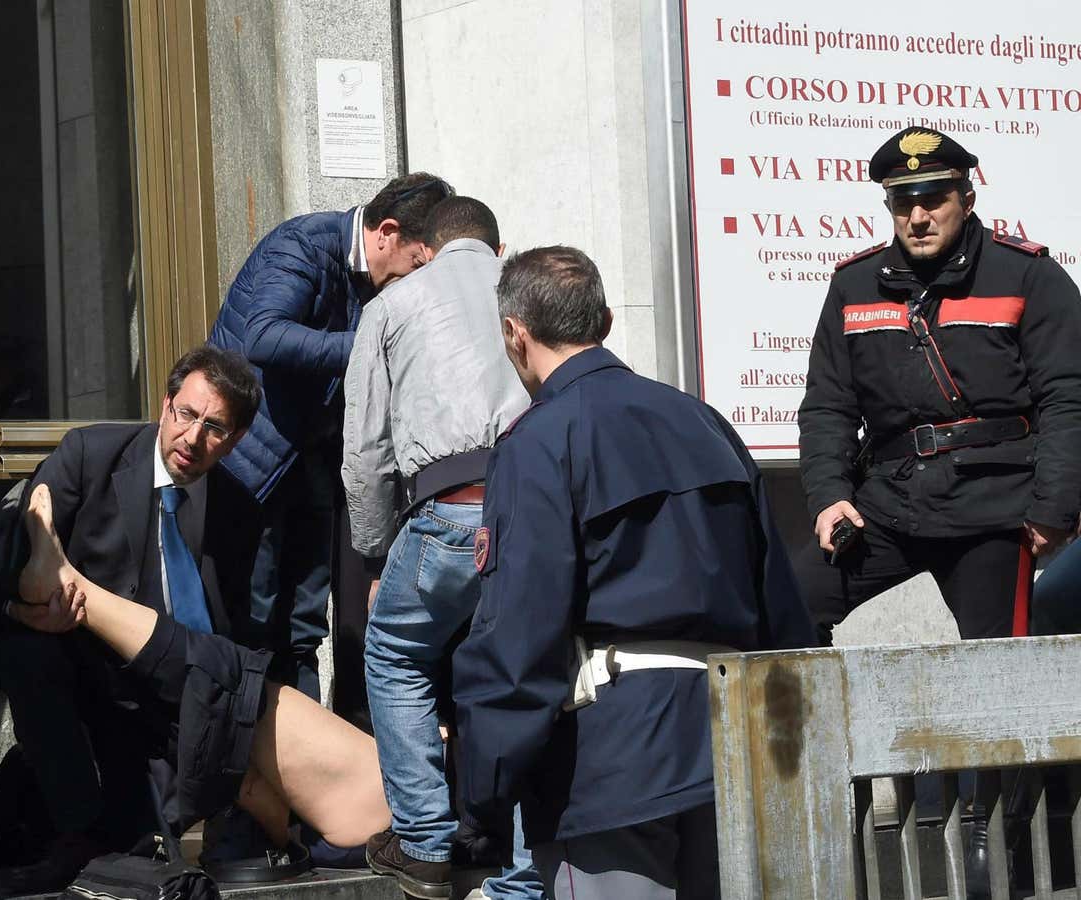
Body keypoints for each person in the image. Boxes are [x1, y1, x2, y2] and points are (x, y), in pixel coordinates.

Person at [453, 246, 816, 899]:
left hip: (610, 761)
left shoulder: (538, 441)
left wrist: (482, 798)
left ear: (515, 332)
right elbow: (781, 610)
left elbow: (518, 635)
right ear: (607, 321)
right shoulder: (704, 423)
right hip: (731, 750)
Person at [795, 127, 1081, 897]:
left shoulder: (1029, 277)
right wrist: (828, 497)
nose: (917, 215)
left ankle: (1002, 850)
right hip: (888, 502)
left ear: (967, 196)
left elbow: (1066, 398)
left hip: (996, 507)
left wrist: (1052, 508)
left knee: (995, 681)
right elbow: (826, 405)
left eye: (932, 198)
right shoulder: (856, 285)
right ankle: (822, 818)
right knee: (798, 604)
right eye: (902, 201)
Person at [0, 345, 268, 892]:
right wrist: (27, 608)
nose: (193, 438)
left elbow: (239, 624)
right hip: (87, 664)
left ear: (234, 440)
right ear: (166, 404)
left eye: (215, 428)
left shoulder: (239, 511)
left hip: (177, 684)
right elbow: (0, 571)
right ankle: (74, 829)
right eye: (187, 415)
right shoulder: (91, 454)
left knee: (144, 855)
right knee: (22, 651)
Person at [10, 478, 392, 858]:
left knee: (231, 684)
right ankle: (75, 590)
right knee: (233, 684)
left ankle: (77, 589)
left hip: (373, 810)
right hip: (374, 805)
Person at [339, 195, 530, 899]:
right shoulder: (526, 291)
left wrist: (374, 552)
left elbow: (365, 454)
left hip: (445, 514)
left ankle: (422, 840)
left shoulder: (391, 306)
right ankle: (525, 863)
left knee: (392, 653)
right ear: (496, 246)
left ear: (428, 246)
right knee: (524, 671)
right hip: (530, 514)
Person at [209, 172, 454, 698]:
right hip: (252, 469)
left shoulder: (375, 280)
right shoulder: (302, 245)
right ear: (386, 232)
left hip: (313, 467)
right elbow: (264, 335)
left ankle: (308, 760)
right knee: (255, 620)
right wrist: (372, 341)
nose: (415, 283)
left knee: (303, 628)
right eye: (416, 265)